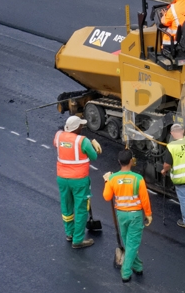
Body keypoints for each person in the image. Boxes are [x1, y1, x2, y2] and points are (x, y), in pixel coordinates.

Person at [102, 149, 152, 283]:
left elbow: (107, 197)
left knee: (128, 243)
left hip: (121, 215)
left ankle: (138, 266)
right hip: (135, 216)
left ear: (119, 162)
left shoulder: (112, 178)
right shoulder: (138, 179)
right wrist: (148, 214)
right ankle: (125, 271)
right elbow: (145, 199)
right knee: (132, 244)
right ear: (131, 161)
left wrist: (106, 181)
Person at [54, 115, 101, 249]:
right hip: (79, 180)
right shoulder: (83, 141)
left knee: (66, 206)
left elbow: (61, 143)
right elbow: (94, 156)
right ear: (76, 128)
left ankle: (69, 233)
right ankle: (78, 240)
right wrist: (92, 145)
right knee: (81, 209)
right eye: (81, 125)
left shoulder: (58, 136)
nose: (82, 127)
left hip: (62, 179)